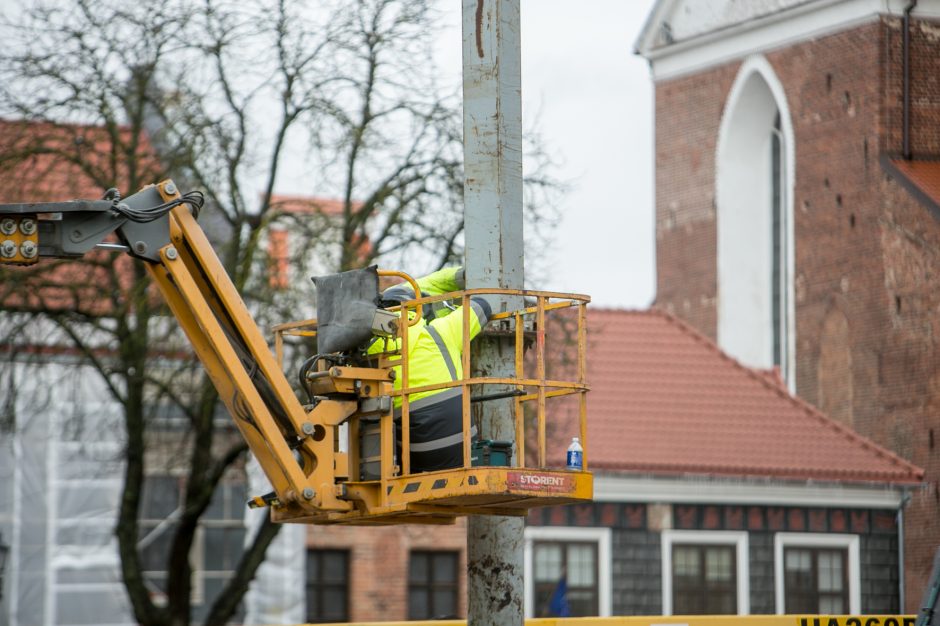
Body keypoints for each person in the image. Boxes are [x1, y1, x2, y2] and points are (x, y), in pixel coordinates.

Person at [368, 266, 494, 473]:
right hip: (461, 453)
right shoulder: (439, 334)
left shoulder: (370, 353)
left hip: (413, 460)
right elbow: (482, 304)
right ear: (420, 311)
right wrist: (443, 305)